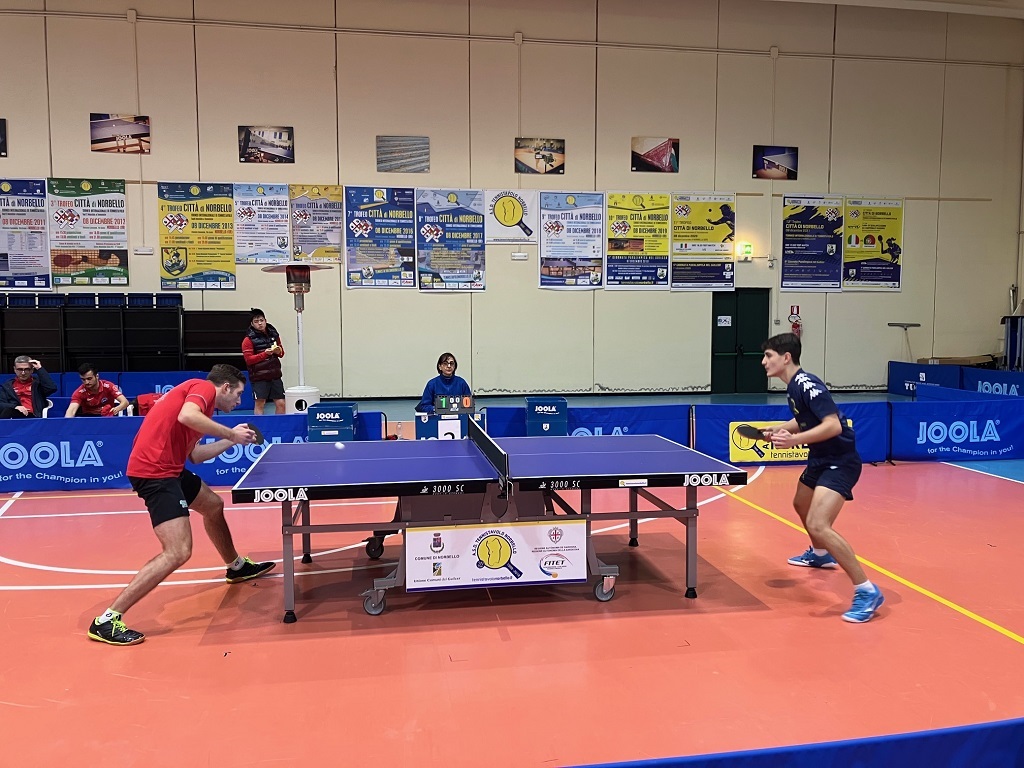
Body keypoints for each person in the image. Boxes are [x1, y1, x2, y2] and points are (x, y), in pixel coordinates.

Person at [86, 364, 274, 646]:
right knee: (178, 551)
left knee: (213, 505)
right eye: (238, 394)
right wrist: (231, 434)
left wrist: (231, 442)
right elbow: (187, 415)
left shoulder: (204, 412)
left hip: (171, 470)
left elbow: (195, 455)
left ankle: (236, 567)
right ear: (224, 387)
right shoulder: (201, 388)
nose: (238, 401)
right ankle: (107, 620)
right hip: (154, 473)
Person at [760, 333, 884, 624]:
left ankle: (867, 590)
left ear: (786, 358)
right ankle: (819, 554)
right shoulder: (793, 387)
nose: (764, 362)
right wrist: (779, 429)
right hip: (820, 458)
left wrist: (793, 441)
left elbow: (833, 426)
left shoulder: (808, 384)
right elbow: (804, 419)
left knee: (818, 523)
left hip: (840, 462)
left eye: (768, 356)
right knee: (800, 503)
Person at [242, 307, 285, 415]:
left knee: (281, 403)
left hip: (275, 375)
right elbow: (249, 360)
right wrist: (265, 354)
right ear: (252, 324)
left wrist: (278, 351)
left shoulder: (274, 334)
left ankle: (279, 424)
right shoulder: (248, 340)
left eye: (261, 320)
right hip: (259, 377)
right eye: (256, 321)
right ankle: (259, 425)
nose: (260, 323)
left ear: (265, 320)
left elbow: (281, 353)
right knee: (260, 403)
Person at [65, 363, 130, 417]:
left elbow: (125, 402)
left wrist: (115, 410)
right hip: (89, 419)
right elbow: (71, 411)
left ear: (97, 376)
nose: (86, 382)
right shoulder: (79, 392)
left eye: (89, 378)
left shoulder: (108, 386)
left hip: (107, 418)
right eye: (83, 379)